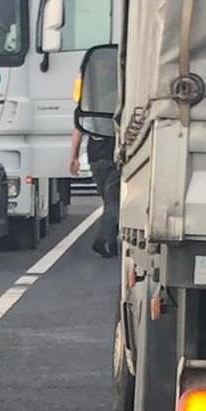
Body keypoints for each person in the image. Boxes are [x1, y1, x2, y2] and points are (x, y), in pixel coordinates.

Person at [68, 50, 120, 258]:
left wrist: (73, 157)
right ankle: (104, 238)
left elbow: (78, 127)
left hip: (96, 156)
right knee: (114, 201)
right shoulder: (122, 96)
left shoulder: (91, 98)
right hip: (116, 156)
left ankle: (112, 244)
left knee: (109, 200)